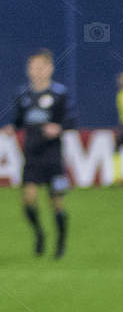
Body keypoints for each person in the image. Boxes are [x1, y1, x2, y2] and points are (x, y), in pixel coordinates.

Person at [12, 49, 74, 258]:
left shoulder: (59, 94)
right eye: (32, 67)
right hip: (31, 156)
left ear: (50, 68)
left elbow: (70, 120)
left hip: (53, 156)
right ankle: (39, 233)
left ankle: (61, 242)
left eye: (40, 67)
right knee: (28, 199)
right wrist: (11, 127)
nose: (36, 71)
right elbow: (19, 120)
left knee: (56, 201)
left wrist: (59, 127)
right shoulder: (24, 94)